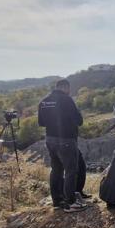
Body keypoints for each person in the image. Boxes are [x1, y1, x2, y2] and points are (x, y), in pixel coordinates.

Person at [38, 79, 87, 212]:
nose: (69, 91)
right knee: (71, 170)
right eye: (69, 89)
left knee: (56, 170)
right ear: (65, 87)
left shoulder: (44, 101)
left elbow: (41, 123)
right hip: (66, 140)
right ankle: (70, 202)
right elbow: (79, 121)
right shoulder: (67, 100)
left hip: (50, 139)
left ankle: (57, 200)